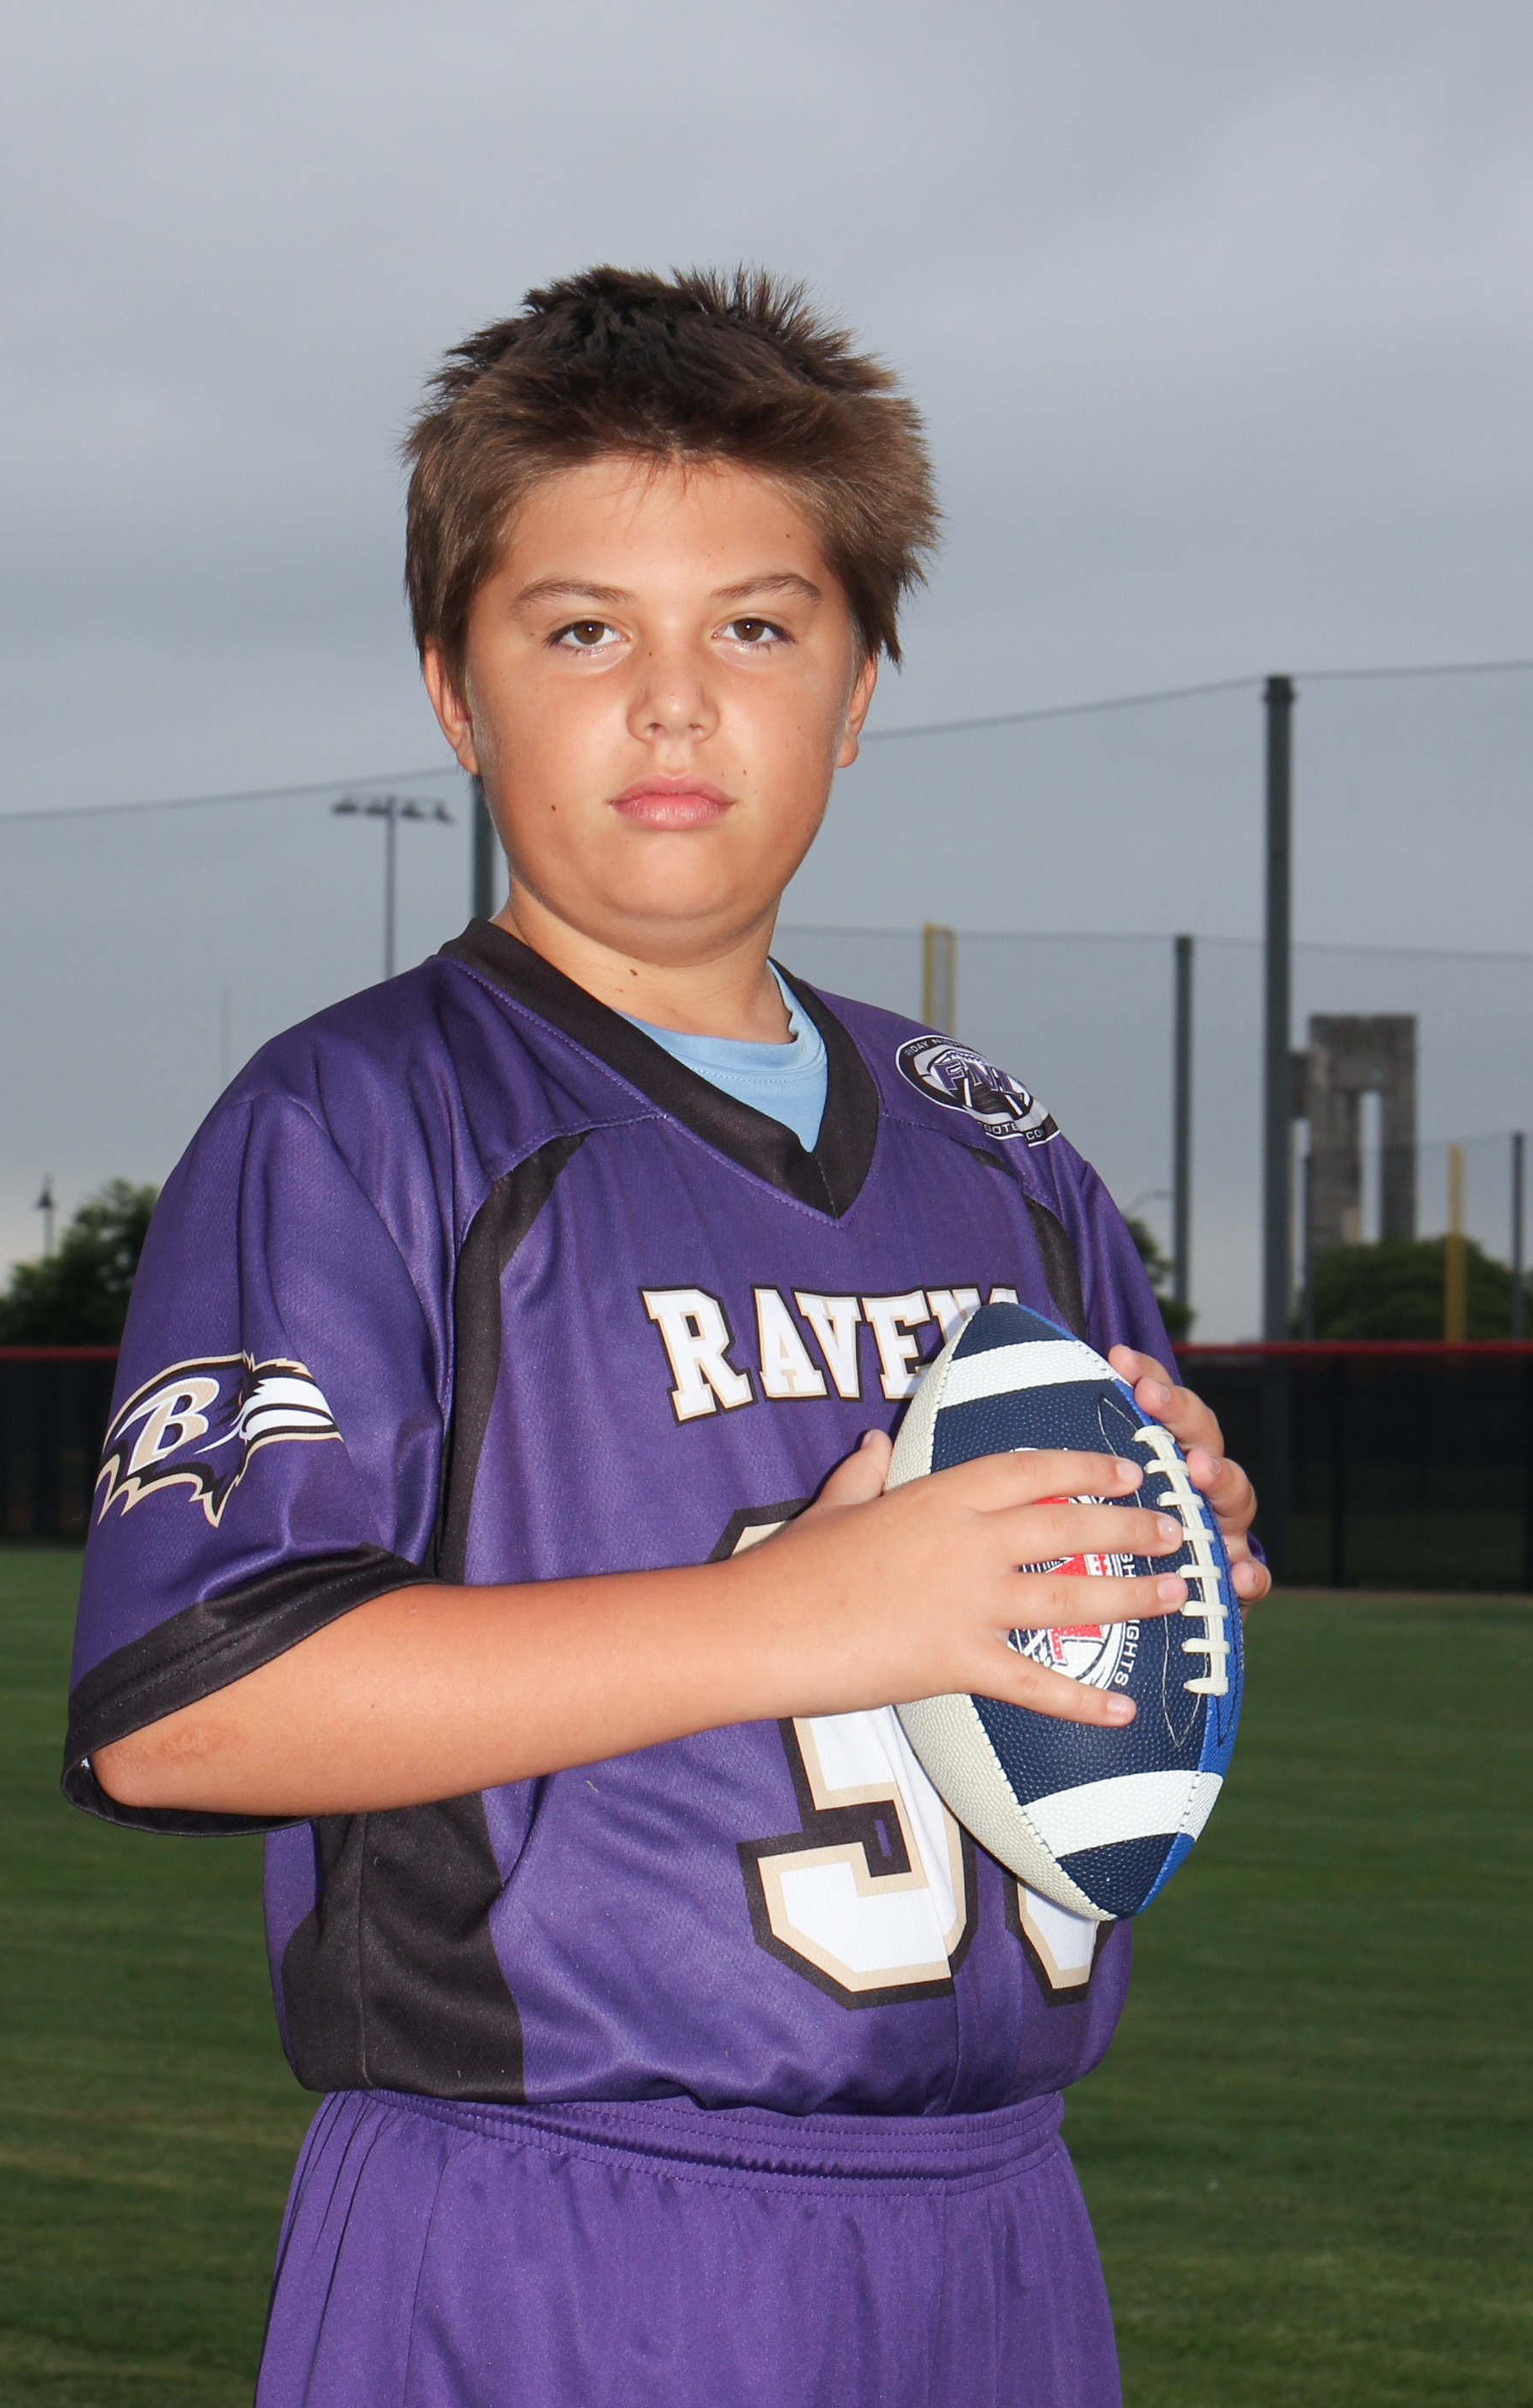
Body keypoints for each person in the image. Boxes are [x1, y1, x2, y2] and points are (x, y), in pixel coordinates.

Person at [65, 267, 1265, 2408]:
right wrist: (809, 1612)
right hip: (554, 2226)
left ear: (860, 686)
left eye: (758, 629)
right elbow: (191, 1711)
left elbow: (1076, 1637)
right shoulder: (361, 1119)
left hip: (998, 2220)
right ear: (454, 691)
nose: (676, 705)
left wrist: (1158, 1541)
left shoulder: (996, 1143)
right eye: (582, 631)